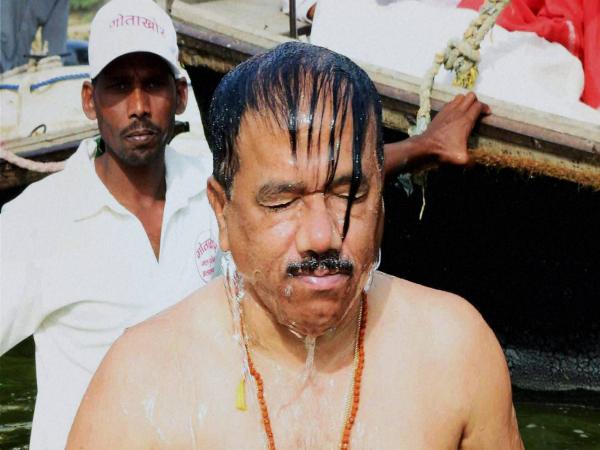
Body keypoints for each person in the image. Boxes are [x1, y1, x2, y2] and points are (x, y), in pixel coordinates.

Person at [1, 0, 487, 448]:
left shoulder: (206, 181)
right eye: (117, 87)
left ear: (181, 95)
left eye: (153, 84)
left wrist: (422, 147)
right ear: (90, 100)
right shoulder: (37, 221)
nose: (138, 106)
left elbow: (312, 168)